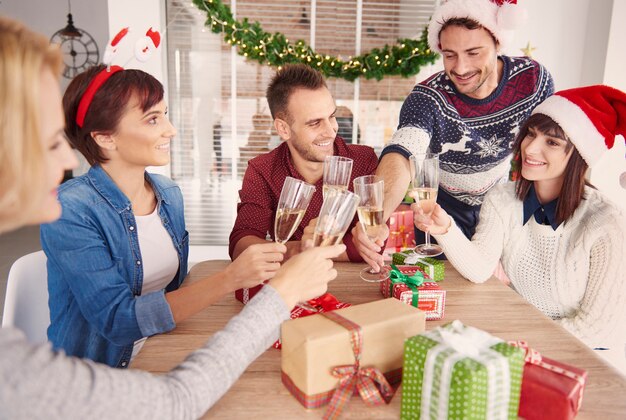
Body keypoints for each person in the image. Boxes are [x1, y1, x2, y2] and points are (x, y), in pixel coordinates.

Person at [0, 16, 344, 418]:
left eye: (164, 114)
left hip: (165, 350)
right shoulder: (72, 209)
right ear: (104, 137)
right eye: (152, 119)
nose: (171, 130)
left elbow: (174, 294)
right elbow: (119, 321)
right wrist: (241, 281)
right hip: (113, 373)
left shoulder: (167, 195)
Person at [415, 85, 626, 363]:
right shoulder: (503, 198)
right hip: (522, 344)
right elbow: (479, 269)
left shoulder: (605, 222)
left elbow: (596, 330)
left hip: (582, 356)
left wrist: (517, 344)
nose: (531, 148)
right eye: (531, 134)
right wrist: (445, 230)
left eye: (552, 142)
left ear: (579, 156)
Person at [354, 0, 554, 271]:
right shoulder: (428, 99)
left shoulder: (533, 80)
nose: (460, 68)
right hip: (439, 207)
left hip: (499, 200)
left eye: (473, 53)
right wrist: (377, 217)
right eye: (449, 55)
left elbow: (554, 144)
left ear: (498, 44)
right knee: (439, 287)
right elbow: (403, 152)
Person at [229, 64, 378, 262]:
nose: (331, 130)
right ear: (283, 128)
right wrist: (303, 248)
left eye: (332, 116)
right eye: (315, 123)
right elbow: (242, 246)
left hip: (353, 285)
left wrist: (292, 250)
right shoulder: (262, 170)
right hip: (294, 284)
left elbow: (373, 242)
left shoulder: (364, 160)